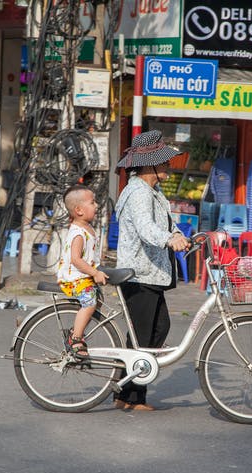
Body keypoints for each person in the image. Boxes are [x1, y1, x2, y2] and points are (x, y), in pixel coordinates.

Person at [113, 130, 191, 411]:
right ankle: (132, 397)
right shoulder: (137, 192)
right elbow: (147, 229)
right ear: (150, 165)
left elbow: (166, 224)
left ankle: (124, 391)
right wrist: (170, 239)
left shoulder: (152, 192)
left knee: (154, 330)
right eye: (164, 162)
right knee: (144, 335)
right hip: (138, 273)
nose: (169, 166)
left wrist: (180, 235)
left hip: (151, 273)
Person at [57, 184, 109, 357]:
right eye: (92, 202)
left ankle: (75, 330)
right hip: (74, 278)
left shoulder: (88, 228)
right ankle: (75, 338)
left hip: (84, 276)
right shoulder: (78, 233)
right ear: (78, 210)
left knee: (97, 300)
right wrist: (95, 273)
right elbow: (76, 259)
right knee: (90, 302)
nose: (96, 206)